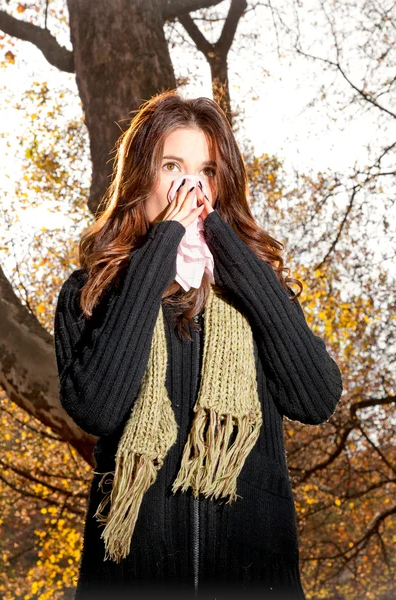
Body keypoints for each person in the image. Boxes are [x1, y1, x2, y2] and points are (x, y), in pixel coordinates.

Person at [53, 90, 344, 600]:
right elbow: (97, 408)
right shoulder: (92, 290)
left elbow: (316, 399)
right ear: (140, 177)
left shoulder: (255, 287)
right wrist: (159, 250)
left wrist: (231, 252)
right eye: (172, 166)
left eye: (207, 171)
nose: (191, 186)